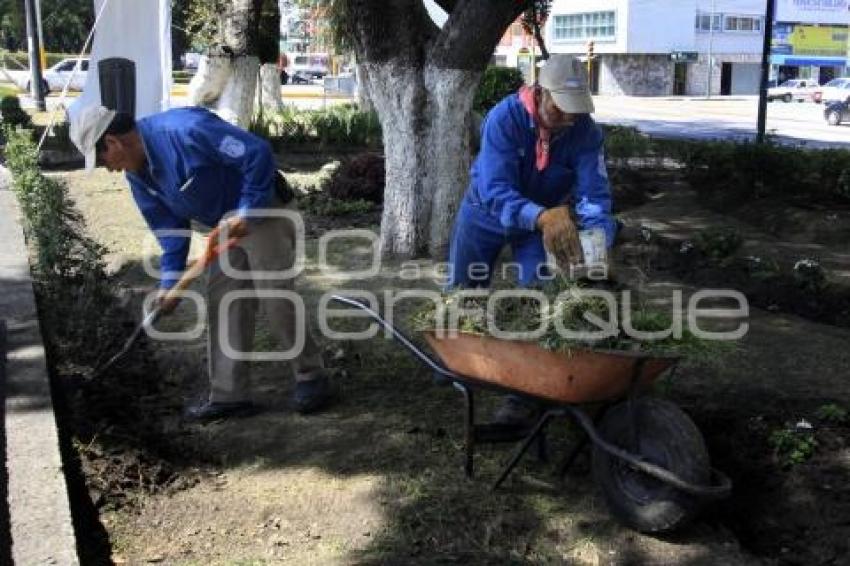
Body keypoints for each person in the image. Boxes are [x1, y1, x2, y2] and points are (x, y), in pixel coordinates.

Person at [69, 105, 334, 422]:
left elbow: (256, 152)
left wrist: (248, 212)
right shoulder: (139, 177)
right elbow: (170, 234)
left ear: (112, 143)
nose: (107, 169)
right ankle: (229, 395)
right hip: (223, 224)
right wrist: (170, 286)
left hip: (265, 209)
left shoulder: (186, 130)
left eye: (101, 161)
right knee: (224, 300)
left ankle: (311, 376)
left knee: (273, 296)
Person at [446, 54, 617, 427]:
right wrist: (540, 215)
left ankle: (521, 392)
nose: (569, 118)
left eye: (576, 110)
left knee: (537, 298)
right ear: (540, 93)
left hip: (544, 224)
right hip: (486, 213)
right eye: (561, 109)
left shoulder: (585, 132)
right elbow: (494, 189)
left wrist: (598, 241)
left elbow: (594, 196)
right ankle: (456, 364)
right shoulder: (504, 119)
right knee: (464, 289)